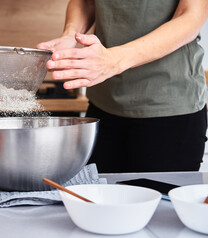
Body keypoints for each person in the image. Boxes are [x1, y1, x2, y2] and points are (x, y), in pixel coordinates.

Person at [37, 0, 208, 173]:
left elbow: (190, 16)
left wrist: (113, 60)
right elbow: (87, 2)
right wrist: (70, 35)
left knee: (161, 200)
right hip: (104, 105)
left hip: (170, 106)